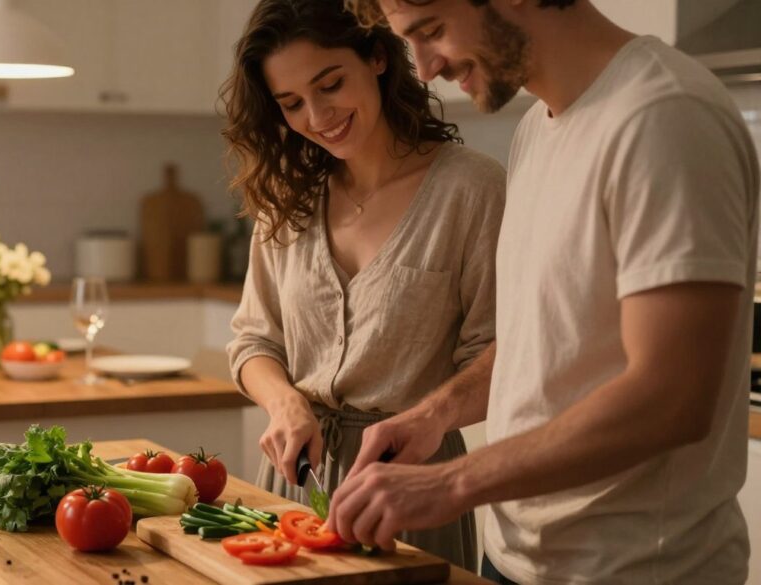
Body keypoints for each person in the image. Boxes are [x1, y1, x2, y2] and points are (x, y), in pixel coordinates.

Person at [330, 1, 759, 583]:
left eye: (432, 31)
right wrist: (437, 413)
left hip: (632, 570)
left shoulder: (663, 115)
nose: (425, 68)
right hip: (516, 559)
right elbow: (552, 336)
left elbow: (673, 395)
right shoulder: (538, 127)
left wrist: (453, 482)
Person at [222, 0, 505, 571]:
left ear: (377, 57)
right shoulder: (288, 198)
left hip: (411, 490)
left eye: (330, 84)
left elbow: (502, 354)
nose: (318, 115)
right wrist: (285, 405)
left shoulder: (471, 190)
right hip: (292, 486)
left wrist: (430, 418)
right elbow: (254, 342)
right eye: (292, 103)